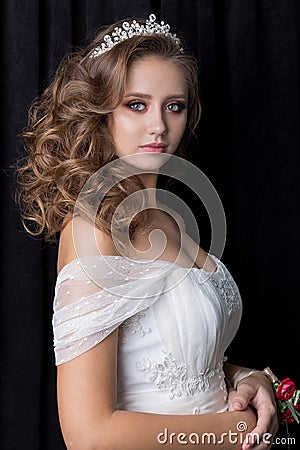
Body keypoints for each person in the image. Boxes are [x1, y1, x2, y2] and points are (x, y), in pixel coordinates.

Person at [16, 14, 278, 450]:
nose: (159, 125)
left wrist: (248, 378)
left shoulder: (171, 220)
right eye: (136, 104)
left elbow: (182, 359)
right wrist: (242, 431)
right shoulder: (93, 230)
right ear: (102, 114)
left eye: (173, 106)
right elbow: (89, 434)